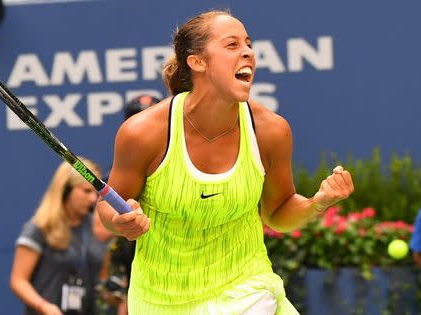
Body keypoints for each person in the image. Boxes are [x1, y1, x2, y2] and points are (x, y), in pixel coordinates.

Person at [95, 9, 354, 315]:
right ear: (197, 61)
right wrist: (120, 221)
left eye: (248, 44)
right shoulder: (143, 133)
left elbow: (278, 212)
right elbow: (109, 206)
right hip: (160, 301)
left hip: (247, 289)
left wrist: (317, 203)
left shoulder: (271, 131)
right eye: (232, 45)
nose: (247, 52)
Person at [10, 158, 107, 315]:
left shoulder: (95, 226)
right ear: (65, 190)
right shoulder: (40, 227)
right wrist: (44, 306)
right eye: (86, 191)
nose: (92, 199)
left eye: (95, 193)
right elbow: (18, 281)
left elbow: (101, 274)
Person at [94, 95, 161, 315]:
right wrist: (121, 222)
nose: (145, 126)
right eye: (137, 118)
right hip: (138, 269)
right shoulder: (116, 173)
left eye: (150, 116)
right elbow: (99, 230)